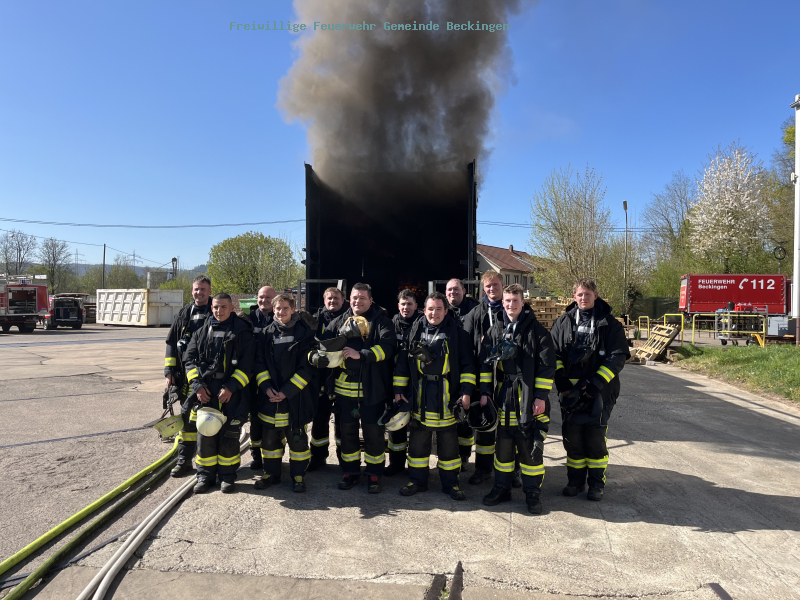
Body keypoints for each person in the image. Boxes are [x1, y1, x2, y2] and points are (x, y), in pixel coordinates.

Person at [550, 278, 629, 502]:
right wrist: (562, 382)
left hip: (600, 392)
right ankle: (575, 482)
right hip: (569, 393)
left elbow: (617, 358)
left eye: (588, 294)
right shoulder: (562, 322)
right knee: (572, 438)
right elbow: (553, 355)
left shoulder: (610, 324)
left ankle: (596, 484)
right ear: (573, 297)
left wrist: (594, 386)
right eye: (579, 294)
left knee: (594, 439)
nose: (583, 298)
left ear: (596, 296)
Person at [479, 284, 555, 514]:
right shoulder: (495, 330)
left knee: (528, 444)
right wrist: (484, 392)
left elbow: (547, 367)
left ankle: (532, 493)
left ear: (523, 303)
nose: (510, 304)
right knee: (503, 445)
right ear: (502, 303)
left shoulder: (538, 332)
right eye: (507, 301)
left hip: (528, 395)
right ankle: (502, 487)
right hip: (503, 394)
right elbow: (484, 364)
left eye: (515, 301)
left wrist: (540, 397)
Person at [394, 292, 476, 501]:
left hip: (447, 398)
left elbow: (468, 365)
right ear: (424, 311)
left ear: (446, 311)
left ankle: (451, 484)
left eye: (439, 309)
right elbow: (403, 364)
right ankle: (417, 481)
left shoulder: (458, 334)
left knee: (449, 447)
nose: (434, 313)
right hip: (421, 397)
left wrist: (466, 392)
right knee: (417, 445)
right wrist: (399, 391)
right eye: (430, 309)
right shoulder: (414, 331)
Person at [316, 283, 396, 494]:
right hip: (344, 391)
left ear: (370, 300)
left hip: (372, 390)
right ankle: (350, 472)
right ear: (349, 299)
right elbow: (324, 345)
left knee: (374, 435)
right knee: (347, 434)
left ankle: (374, 474)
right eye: (354, 297)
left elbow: (387, 349)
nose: (357, 301)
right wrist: (319, 355)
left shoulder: (382, 321)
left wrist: (363, 354)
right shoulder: (338, 322)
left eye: (362, 298)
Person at [183, 293, 255, 494]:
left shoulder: (243, 332)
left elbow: (247, 365)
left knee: (229, 438)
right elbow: (189, 361)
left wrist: (232, 386)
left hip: (232, 394)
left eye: (223, 307)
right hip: (205, 393)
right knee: (205, 435)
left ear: (232, 308)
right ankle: (205, 476)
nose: (218, 311)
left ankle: (227, 477)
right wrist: (197, 386)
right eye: (215, 307)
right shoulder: (201, 331)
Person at [253, 294, 317, 492]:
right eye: (278, 309)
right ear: (274, 310)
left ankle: (298, 475)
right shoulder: (265, 334)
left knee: (297, 441)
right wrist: (266, 388)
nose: (281, 312)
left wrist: (287, 391)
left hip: (295, 398)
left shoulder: (304, 333)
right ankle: (271, 474)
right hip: (270, 397)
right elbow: (259, 363)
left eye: (285, 308)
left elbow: (307, 368)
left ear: (293, 310)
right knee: (270, 439)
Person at [164, 274, 213, 478]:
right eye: (196, 289)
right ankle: (184, 460)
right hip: (185, 376)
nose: (198, 293)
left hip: (209, 376)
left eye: (202, 289)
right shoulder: (185, 312)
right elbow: (171, 343)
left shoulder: (217, 310)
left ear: (209, 291)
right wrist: (169, 372)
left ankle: (209, 465)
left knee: (208, 421)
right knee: (186, 420)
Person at [462, 270, 507, 484]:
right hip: (482, 381)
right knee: (485, 428)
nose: (491, 289)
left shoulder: (513, 310)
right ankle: (482, 470)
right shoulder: (475, 314)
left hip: (508, 381)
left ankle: (512, 471)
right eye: (488, 286)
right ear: (483, 288)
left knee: (510, 429)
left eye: (495, 285)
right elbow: (467, 350)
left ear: (503, 286)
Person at [308, 286, 349, 470]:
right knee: (319, 420)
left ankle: (344, 459)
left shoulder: (350, 318)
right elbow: (306, 344)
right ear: (324, 301)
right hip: (320, 377)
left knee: (342, 422)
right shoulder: (316, 319)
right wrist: (313, 357)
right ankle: (317, 458)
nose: (332, 301)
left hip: (342, 377)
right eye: (329, 299)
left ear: (343, 299)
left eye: (336, 298)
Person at [385, 289, 422, 477]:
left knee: (416, 425)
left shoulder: (422, 324)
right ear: (398, 306)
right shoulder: (392, 324)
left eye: (409, 304)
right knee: (396, 424)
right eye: (403, 304)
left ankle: (415, 466)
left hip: (416, 383)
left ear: (416, 306)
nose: (406, 307)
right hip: (395, 381)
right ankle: (396, 464)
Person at [247, 285, 276, 470]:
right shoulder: (247, 320)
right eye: (260, 297)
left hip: (272, 377)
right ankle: (256, 456)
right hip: (250, 379)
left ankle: (273, 456)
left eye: (267, 298)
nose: (263, 300)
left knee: (272, 420)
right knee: (254, 419)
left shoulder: (282, 318)